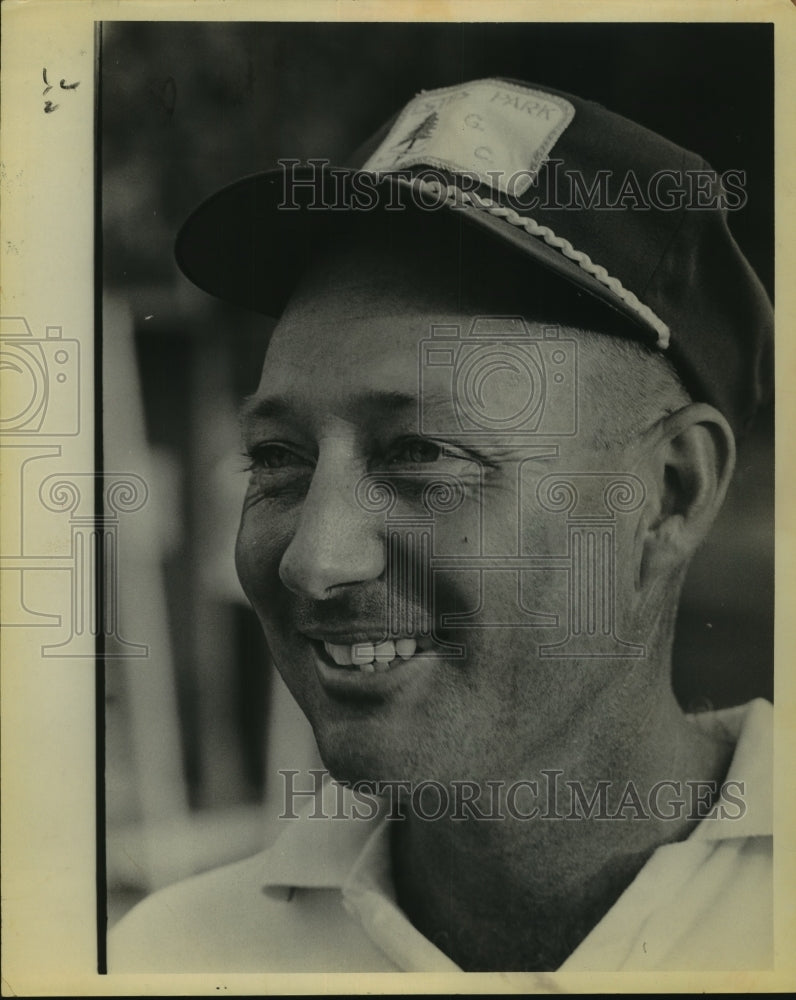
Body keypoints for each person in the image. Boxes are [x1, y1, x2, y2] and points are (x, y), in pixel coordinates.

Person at [109, 77, 773, 972]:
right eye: (278, 460)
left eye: (421, 453)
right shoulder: (176, 961)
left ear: (671, 491)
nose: (314, 559)